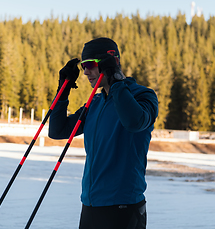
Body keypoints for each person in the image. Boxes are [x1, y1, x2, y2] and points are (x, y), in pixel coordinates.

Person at [48, 37, 158, 229]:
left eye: (89, 65)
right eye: (83, 66)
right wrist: (63, 91)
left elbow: (134, 122)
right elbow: (57, 130)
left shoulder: (143, 96)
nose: (85, 72)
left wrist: (116, 80)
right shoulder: (95, 103)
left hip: (124, 208)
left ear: (111, 63)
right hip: (91, 205)